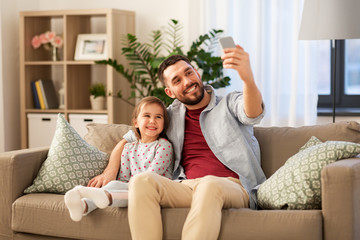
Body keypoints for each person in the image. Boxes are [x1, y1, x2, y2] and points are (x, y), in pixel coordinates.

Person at [89, 44, 266, 240]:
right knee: (141, 181)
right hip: (186, 186)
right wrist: (109, 171)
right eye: (177, 80)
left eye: (189, 73)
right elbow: (131, 136)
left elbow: (252, 113)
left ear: (197, 73)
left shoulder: (229, 103)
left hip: (233, 186)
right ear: (170, 92)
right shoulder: (169, 116)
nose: (187, 81)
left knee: (209, 184)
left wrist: (247, 78)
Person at [64, 96, 174, 222]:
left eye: (158, 117)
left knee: (130, 190)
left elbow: (151, 178)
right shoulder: (128, 148)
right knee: (115, 184)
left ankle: (92, 193)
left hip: (156, 190)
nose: (152, 121)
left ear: (164, 123)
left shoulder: (164, 146)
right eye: (147, 116)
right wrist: (120, 185)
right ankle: (84, 206)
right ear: (136, 122)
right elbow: (124, 179)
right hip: (134, 188)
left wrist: (129, 186)